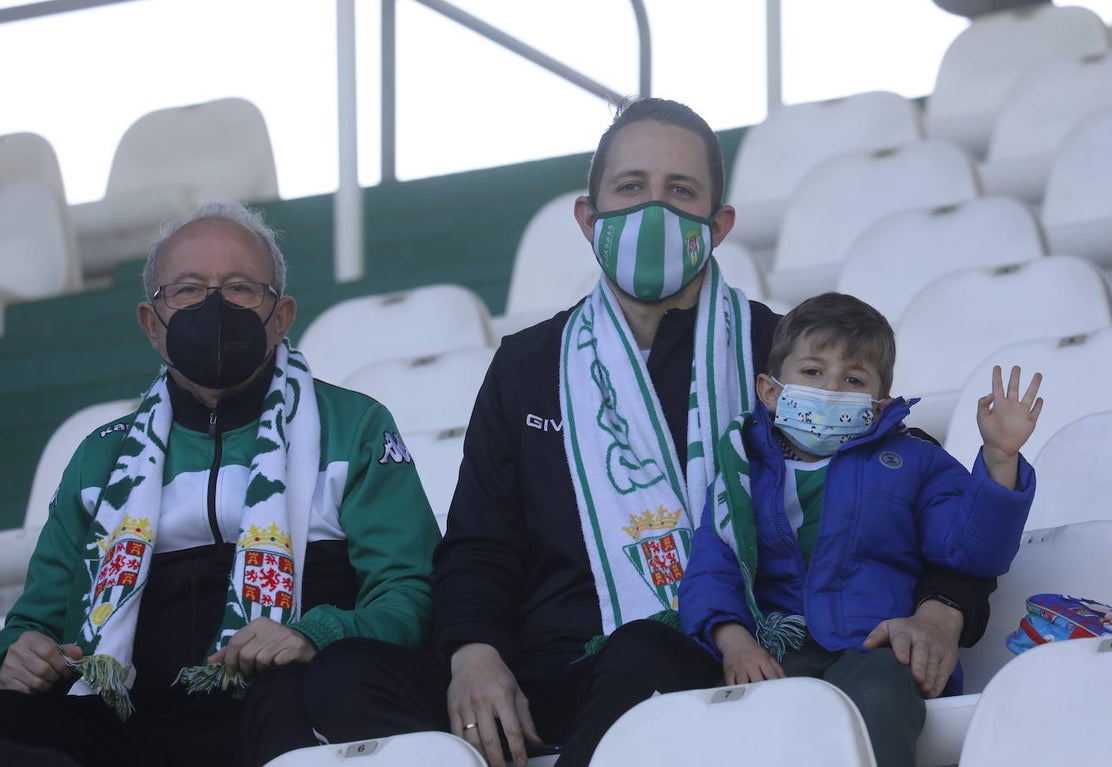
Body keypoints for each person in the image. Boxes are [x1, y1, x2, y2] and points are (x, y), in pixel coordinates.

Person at [294, 98, 997, 767]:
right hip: (547, 668)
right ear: (588, 216)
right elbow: (481, 543)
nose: (653, 209)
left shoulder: (784, 354)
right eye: (630, 187)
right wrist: (474, 652)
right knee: (343, 675)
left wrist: (940, 614)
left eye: (679, 191)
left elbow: (911, 484)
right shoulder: (527, 364)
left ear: (718, 225)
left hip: (708, 654)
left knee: (641, 652)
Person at [0, 201, 441, 767]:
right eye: (188, 290)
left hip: (277, 703)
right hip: (128, 724)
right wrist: (16, 652)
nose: (215, 307)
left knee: (295, 695)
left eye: (241, 289)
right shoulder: (101, 457)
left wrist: (315, 634)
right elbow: (34, 620)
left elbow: (411, 594)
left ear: (281, 316)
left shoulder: (355, 426)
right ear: (152, 324)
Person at [678, 292, 1043, 767]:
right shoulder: (741, 471)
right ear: (770, 391)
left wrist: (1000, 459)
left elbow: (973, 552)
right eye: (812, 372)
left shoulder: (914, 460)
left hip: (877, 644)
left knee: (876, 698)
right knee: (751, 723)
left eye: (852, 380)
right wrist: (735, 641)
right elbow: (711, 568)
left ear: (877, 405)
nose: (830, 389)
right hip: (777, 649)